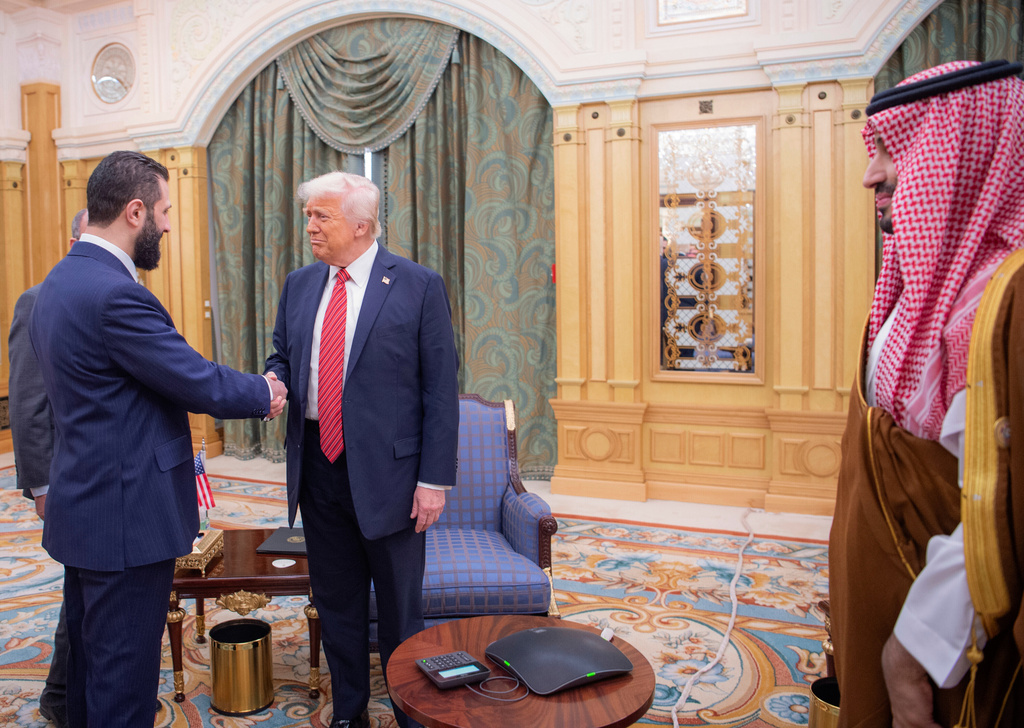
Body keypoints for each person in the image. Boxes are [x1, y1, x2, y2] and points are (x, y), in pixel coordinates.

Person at [29, 151, 287, 727]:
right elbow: (194, 378)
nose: (168, 226)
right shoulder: (115, 294)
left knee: (91, 669)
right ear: (136, 211)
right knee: (124, 681)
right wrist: (265, 391)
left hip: (86, 509)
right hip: (126, 519)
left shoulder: (59, 281)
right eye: (165, 211)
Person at [829, 60, 1024, 727]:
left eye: (891, 150)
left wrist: (913, 651)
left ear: (962, 154)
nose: (871, 175)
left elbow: (998, 513)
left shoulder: (1005, 303)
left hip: (945, 649)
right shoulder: (930, 285)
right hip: (888, 595)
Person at [264, 171, 459, 728]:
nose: (309, 226)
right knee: (337, 605)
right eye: (308, 215)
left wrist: (433, 481)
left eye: (321, 216)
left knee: (400, 612)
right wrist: (274, 381)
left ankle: (409, 713)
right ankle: (349, 712)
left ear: (361, 225)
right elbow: (282, 355)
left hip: (392, 480)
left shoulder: (418, 285)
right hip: (318, 469)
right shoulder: (299, 284)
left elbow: (439, 390)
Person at [6, 208, 87, 728]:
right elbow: (27, 402)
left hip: (100, 475)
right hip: (67, 480)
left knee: (84, 592)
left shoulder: (116, 295)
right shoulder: (37, 301)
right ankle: (61, 697)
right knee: (81, 591)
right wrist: (41, 486)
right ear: (76, 241)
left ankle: (67, 695)